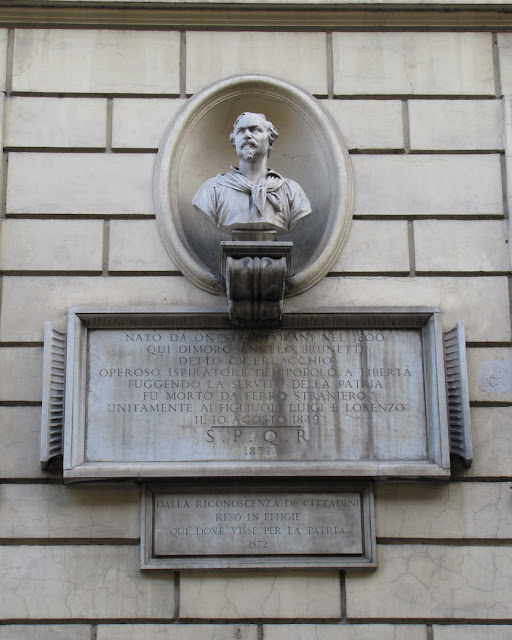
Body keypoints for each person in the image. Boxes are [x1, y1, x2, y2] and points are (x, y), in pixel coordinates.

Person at [192, 112, 311, 235]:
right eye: (241, 131)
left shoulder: (291, 191)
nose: (247, 135)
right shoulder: (212, 190)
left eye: (255, 130)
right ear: (234, 141)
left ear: (270, 140)